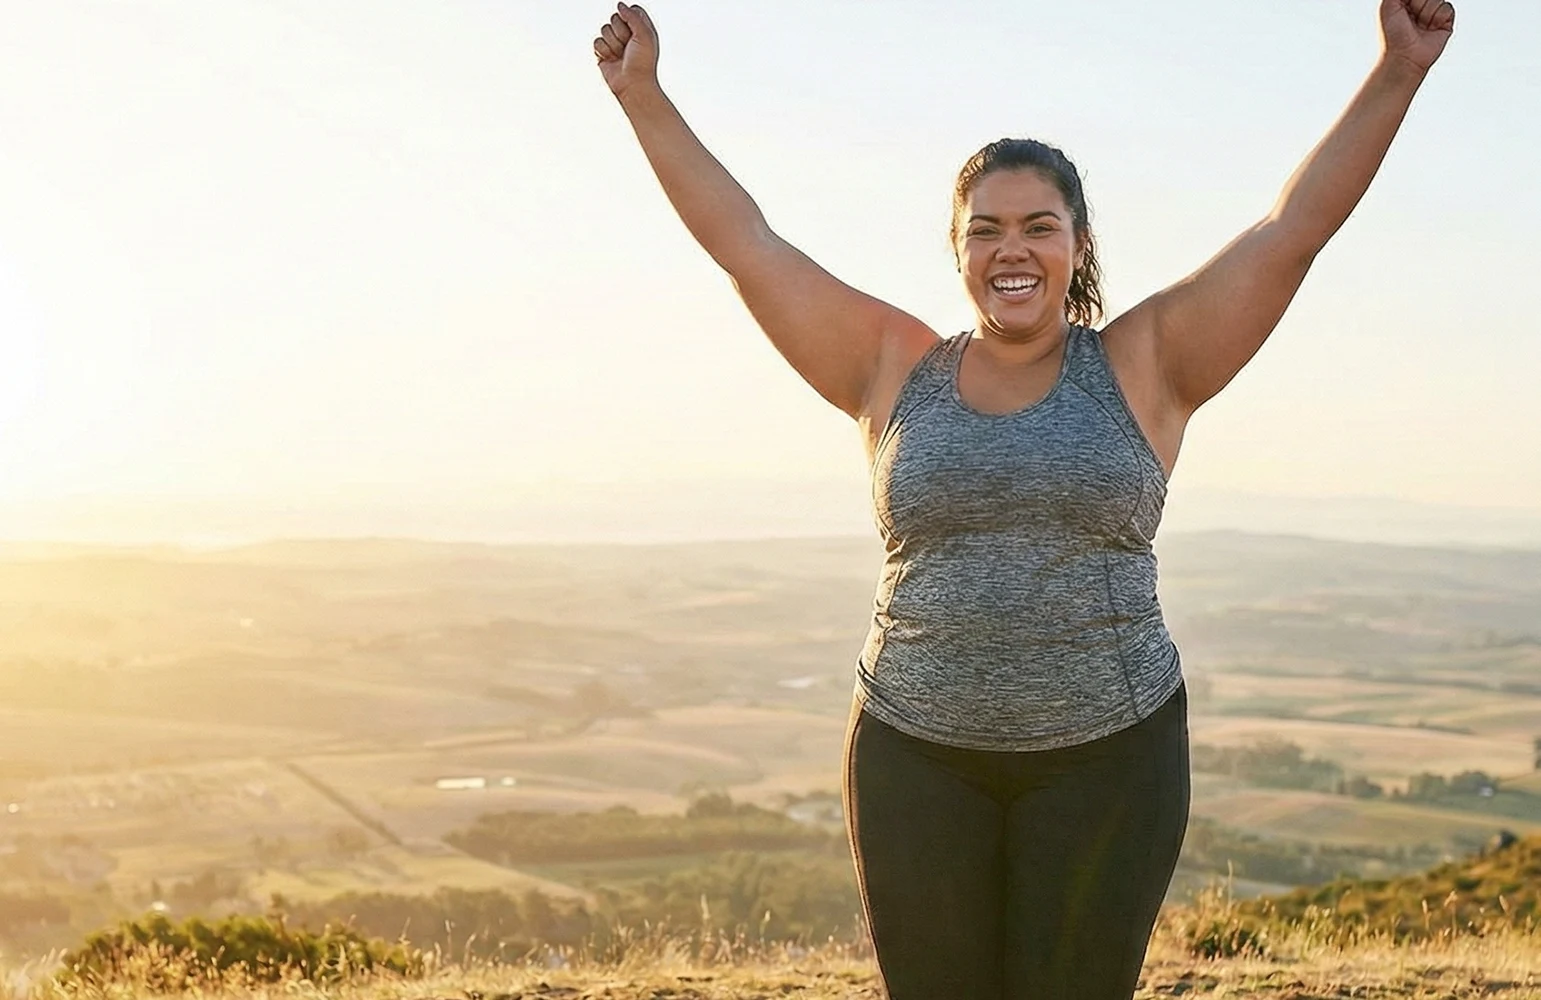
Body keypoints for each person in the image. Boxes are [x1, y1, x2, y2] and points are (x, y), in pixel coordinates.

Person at [593, 2, 1455, 996]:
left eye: (1038, 227)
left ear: (1076, 245)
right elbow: (748, 243)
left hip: (1108, 763)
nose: (1012, 249)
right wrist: (643, 98)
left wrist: (1397, 69)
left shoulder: (1144, 364)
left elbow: (1289, 231)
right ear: (957, 250)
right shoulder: (887, 365)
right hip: (913, 758)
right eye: (985, 230)